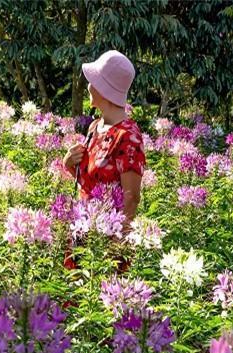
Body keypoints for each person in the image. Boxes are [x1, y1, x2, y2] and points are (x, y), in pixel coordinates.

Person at [62, 50, 146, 270]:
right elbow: (90, 183)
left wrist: (115, 250)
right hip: (82, 231)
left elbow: (132, 199)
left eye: (93, 81)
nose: (89, 85)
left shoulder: (128, 137)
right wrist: (69, 163)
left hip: (107, 242)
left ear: (104, 89)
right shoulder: (95, 127)